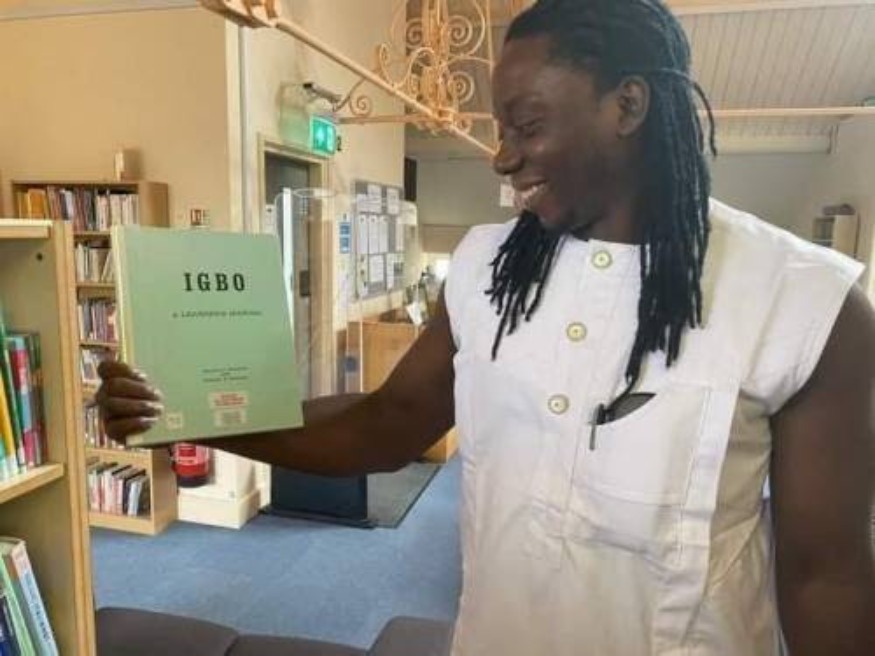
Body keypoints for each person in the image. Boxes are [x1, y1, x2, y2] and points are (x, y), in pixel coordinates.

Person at [96, 1, 875, 654]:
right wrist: (189, 417)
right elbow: (386, 425)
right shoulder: (483, 267)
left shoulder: (807, 304)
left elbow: (826, 577)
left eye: (527, 125)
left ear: (627, 106)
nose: (501, 158)